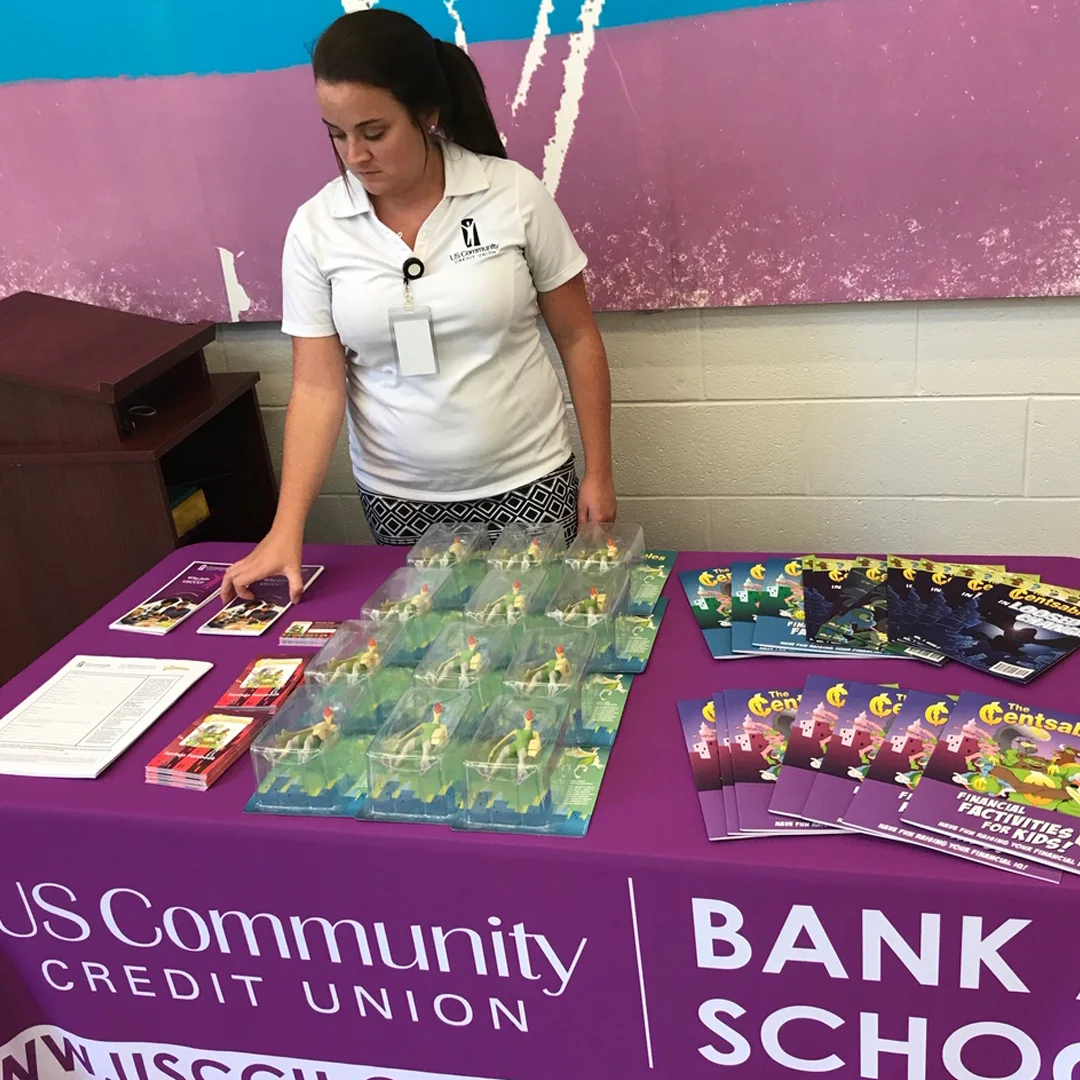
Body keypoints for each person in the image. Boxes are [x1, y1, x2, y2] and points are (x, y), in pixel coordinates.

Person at [221, 9, 615, 605]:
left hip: (530, 483)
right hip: (399, 498)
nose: (355, 155)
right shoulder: (316, 228)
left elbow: (579, 337)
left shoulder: (512, 194)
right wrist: (286, 527)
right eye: (336, 132)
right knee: (435, 671)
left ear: (428, 115)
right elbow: (318, 387)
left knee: (538, 657)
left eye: (374, 132)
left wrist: (599, 472)